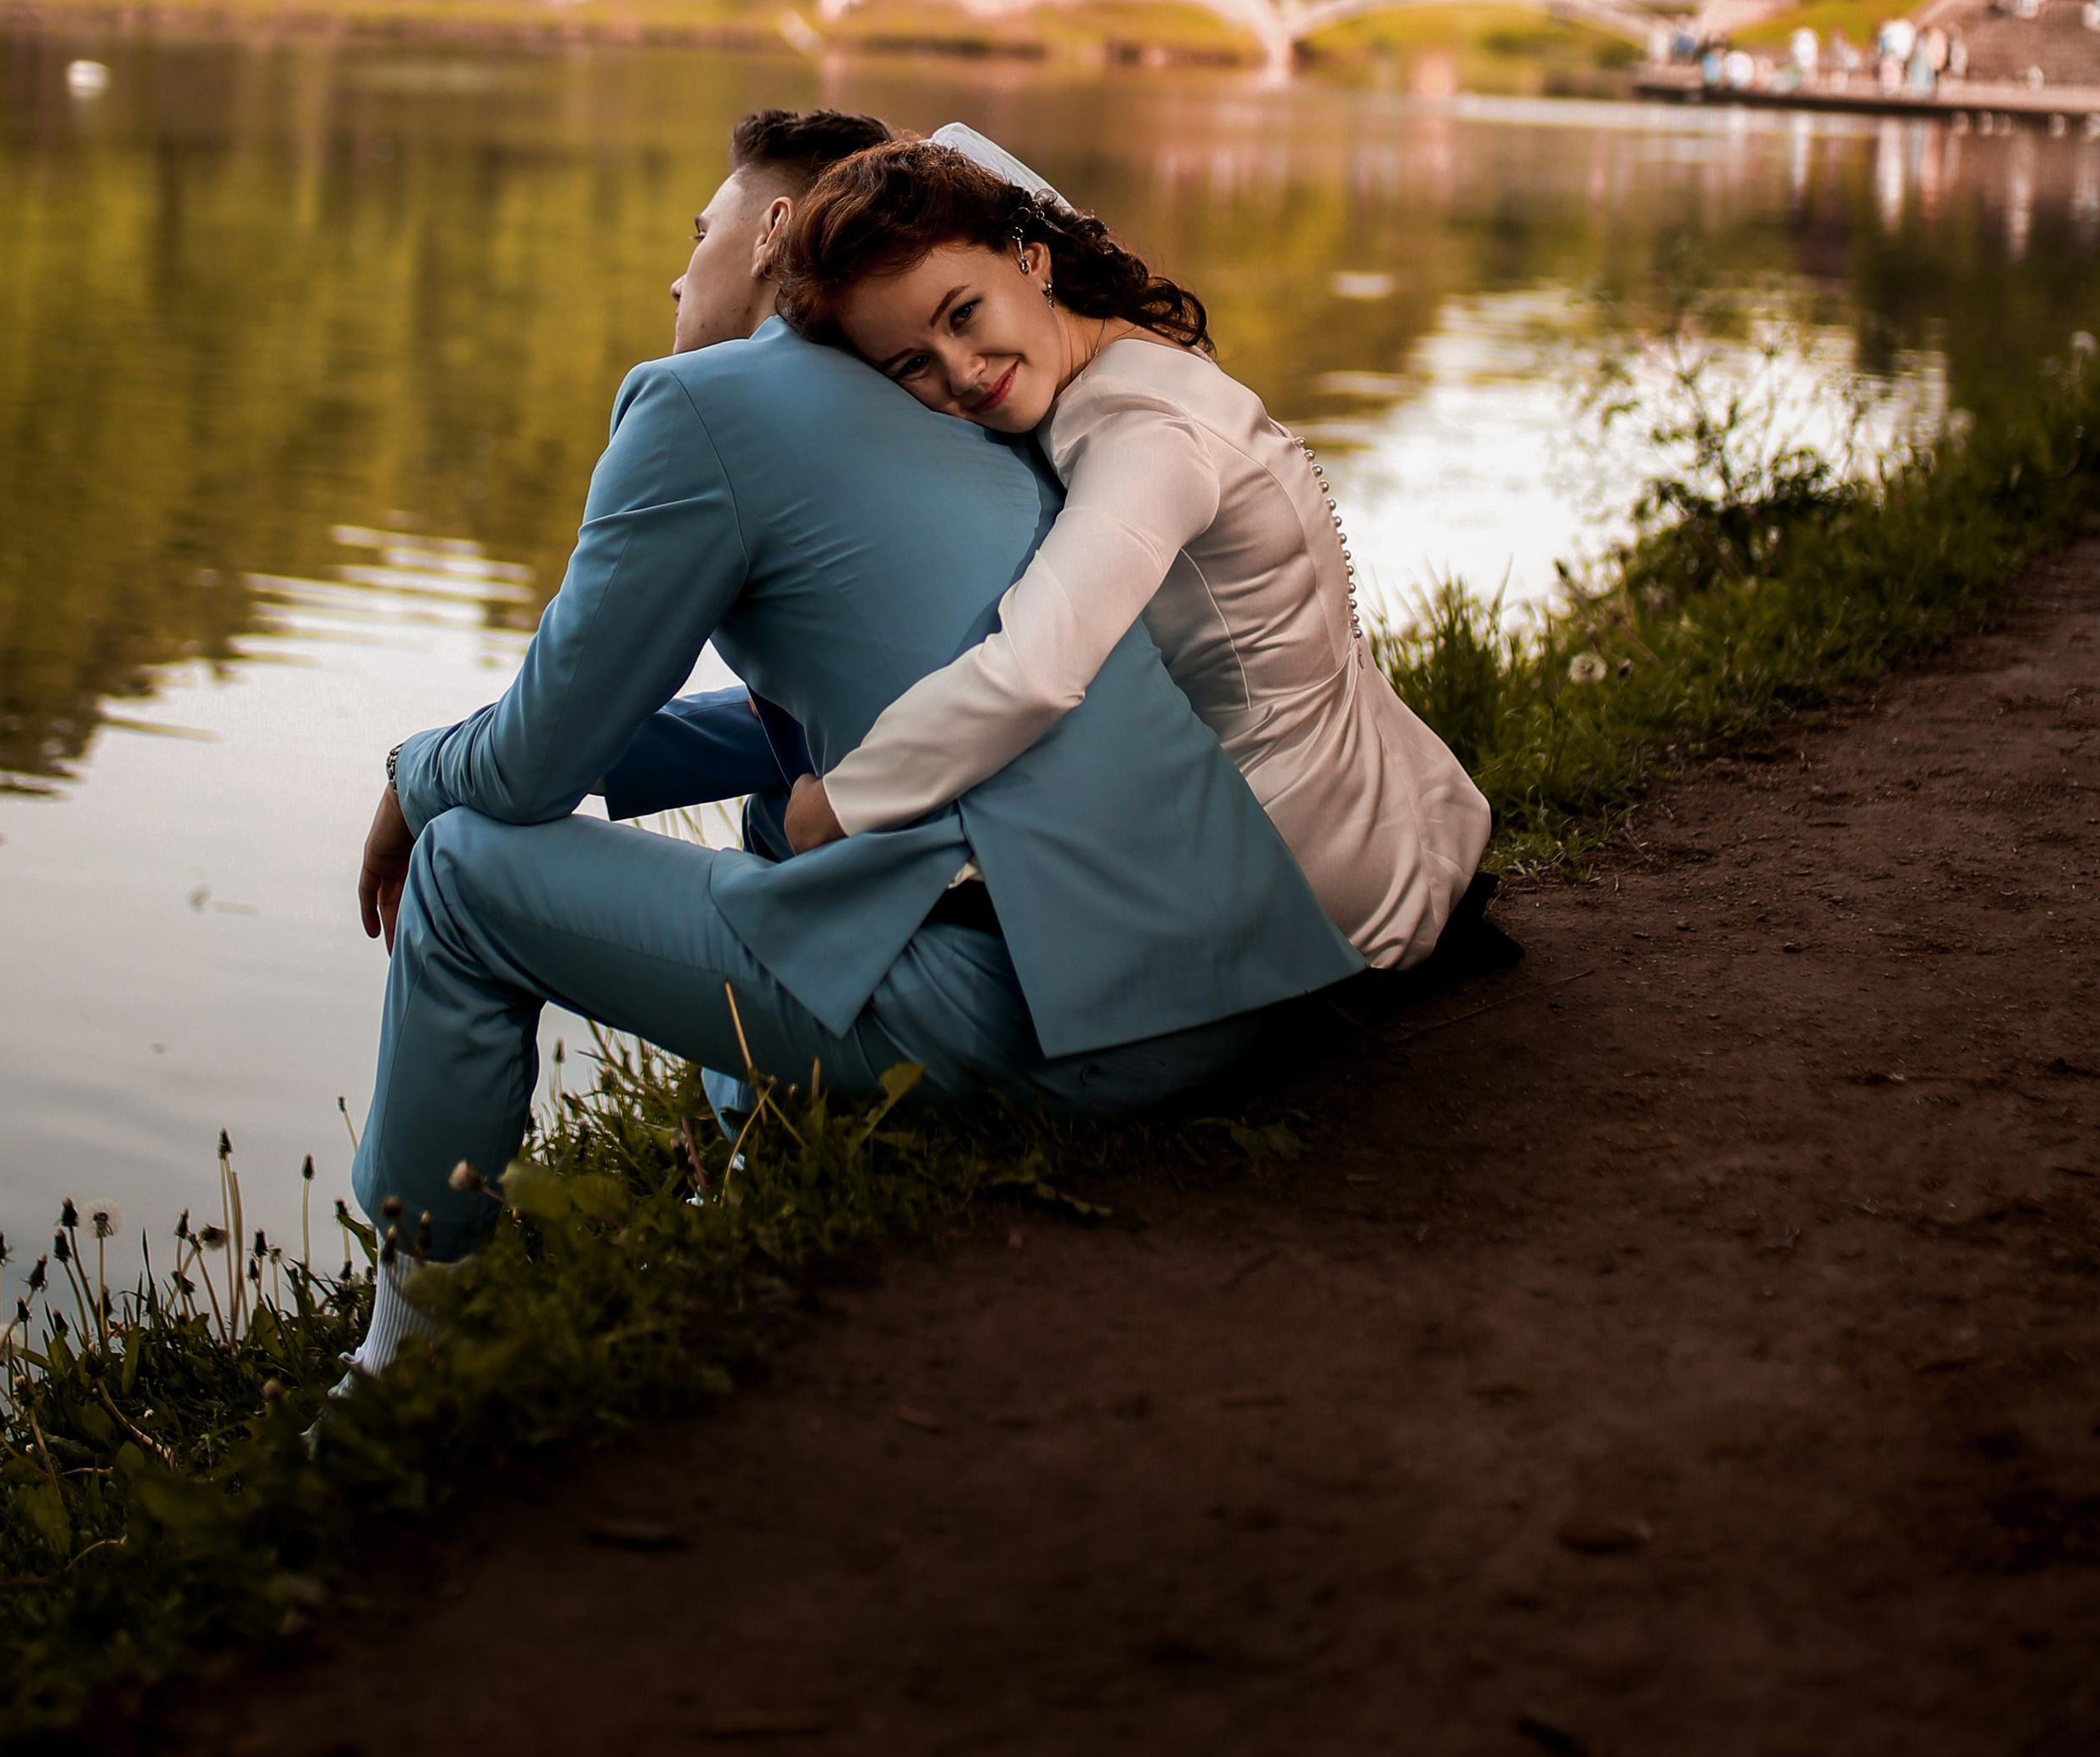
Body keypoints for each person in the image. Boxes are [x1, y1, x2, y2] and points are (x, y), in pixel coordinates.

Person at [343, 112, 1363, 1378]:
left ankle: (406, 1352)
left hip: (1085, 1028)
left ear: (774, 230)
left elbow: (528, 770)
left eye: (700, 231)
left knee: (461, 875)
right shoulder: (951, 407)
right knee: (783, 817)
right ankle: (749, 1176)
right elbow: (875, 699)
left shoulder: (699, 408)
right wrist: (550, 751)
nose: (677, 274)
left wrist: (413, 769)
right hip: (1218, 977)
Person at [773, 130, 1490, 969]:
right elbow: (964, 155)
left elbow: (1034, 673)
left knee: (846, 912)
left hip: (1289, 860)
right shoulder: (1128, 346)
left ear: (1033, 262)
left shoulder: (1137, 433)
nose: (963, 372)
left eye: (962, 314)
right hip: (1374, 804)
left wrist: (842, 806)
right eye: (912, 365)